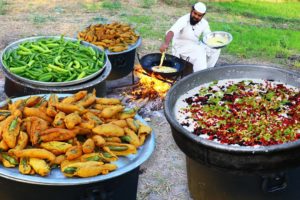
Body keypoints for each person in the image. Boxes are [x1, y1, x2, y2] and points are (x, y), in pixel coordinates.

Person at [160, 2, 221, 72]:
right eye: (195, 13)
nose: (196, 17)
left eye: (199, 15)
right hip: (181, 47)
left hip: (195, 44)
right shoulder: (184, 20)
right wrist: (166, 43)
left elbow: (208, 36)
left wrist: (216, 43)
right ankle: (198, 77)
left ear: (203, 15)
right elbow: (171, 32)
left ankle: (207, 71)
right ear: (191, 10)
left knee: (216, 49)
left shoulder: (204, 23)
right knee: (199, 52)